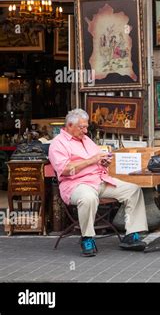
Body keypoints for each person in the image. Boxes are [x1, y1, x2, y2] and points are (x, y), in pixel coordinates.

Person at [48, 109, 148, 257]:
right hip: (76, 184)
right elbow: (65, 170)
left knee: (133, 189)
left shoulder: (86, 140)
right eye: (82, 127)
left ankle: (131, 235)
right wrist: (92, 160)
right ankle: (87, 238)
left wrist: (104, 163)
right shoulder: (58, 144)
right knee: (88, 198)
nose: (86, 130)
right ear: (69, 125)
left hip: (99, 180)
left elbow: (96, 162)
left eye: (86, 126)